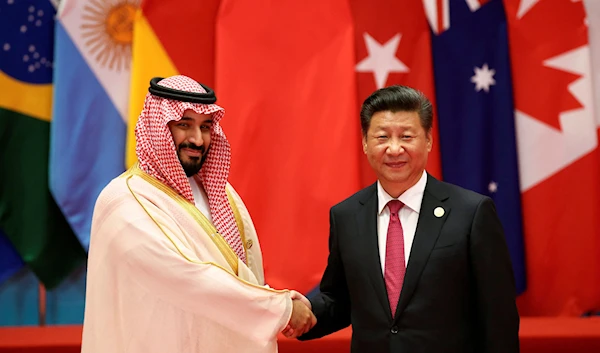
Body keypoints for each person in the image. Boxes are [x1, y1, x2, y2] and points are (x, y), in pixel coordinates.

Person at [81, 75, 315, 353]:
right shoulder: (123, 201)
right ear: (158, 127)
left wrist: (275, 304)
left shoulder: (220, 192)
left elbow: (243, 272)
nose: (197, 139)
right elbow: (184, 278)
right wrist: (279, 309)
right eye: (184, 125)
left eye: (205, 127)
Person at [296, 85, 520, 352]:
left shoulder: (471, 212)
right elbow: (340, 299)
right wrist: (303, 312)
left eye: (406, 136)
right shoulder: (346, 216)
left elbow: (499, 317)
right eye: (382, 137)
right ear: (365, 143)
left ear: (428, 140)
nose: (394, 149)